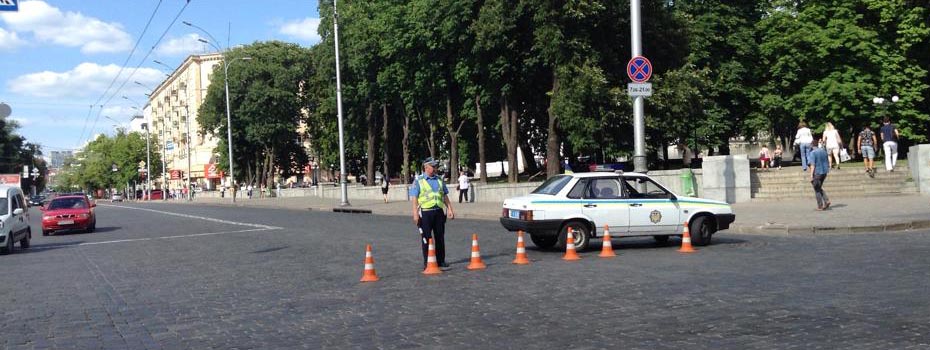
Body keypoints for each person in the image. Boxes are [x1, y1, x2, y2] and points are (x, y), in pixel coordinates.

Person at [410, 157, 455, 269]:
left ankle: (441, 261)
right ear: (426, 167)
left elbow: (444, 195)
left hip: (439, 212)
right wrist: (415, 214)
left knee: (440, 237)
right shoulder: (419, 181)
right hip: (425, 213)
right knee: (427, 238)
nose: (435, 168)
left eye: (435, 166)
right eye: (433, 166)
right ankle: (428, 261)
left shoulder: (439, 180)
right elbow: (415, 198)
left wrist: (450, 208)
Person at [808, 136, 831, 211]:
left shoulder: (813, 153)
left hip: (817, 173)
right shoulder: (823, 151)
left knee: (816, 189)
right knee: (819, 187)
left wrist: (811, 175)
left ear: (812, 145)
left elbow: (812, 165)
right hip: (824, 172)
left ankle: (820, 206)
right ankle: (826, 201)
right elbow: (827, 160)